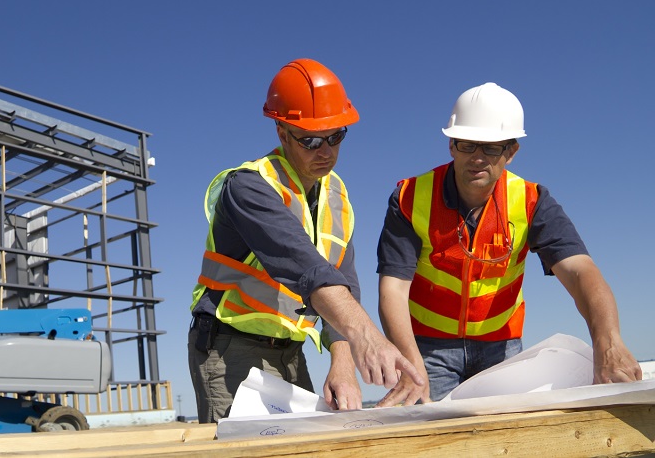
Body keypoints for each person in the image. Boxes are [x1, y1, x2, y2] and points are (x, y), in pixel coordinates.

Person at [375, 82, 643, 407]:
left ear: (511, 152)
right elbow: (393, 289)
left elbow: (580, 271)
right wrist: (408, 361)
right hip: (426, 347)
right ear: (451, 145)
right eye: (467, 144)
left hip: (500, 346)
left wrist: (609, 342)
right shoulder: (409, 197)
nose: (477, 158)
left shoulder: (532, 201)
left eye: (490, 148)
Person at [187, 58, 422, 423]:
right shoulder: (249, 187)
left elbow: (343, 282)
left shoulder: (336, 195)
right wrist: (367, 336)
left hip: (290, 351)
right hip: (229, 346)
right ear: (282, 133)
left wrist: (342, 361)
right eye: (311, 140)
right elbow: (309, 269)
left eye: (335, 136)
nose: (325, 151)